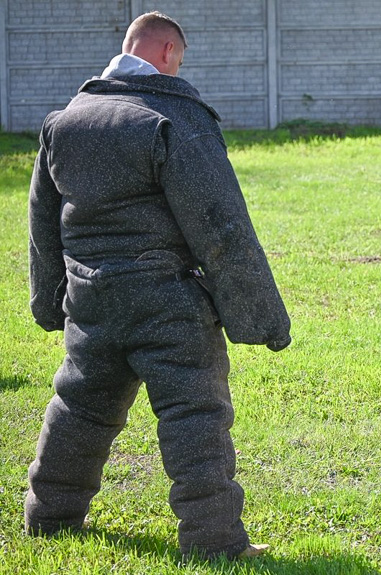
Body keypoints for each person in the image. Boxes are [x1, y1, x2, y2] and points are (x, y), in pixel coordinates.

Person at [25, 11, 292, 560]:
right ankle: (214, 542)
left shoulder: (65, 122)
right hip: (167, 300)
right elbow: (220, 226)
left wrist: (50, 301)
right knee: (195, 414)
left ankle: (49, 518)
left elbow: (42, 226)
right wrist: (262, 317)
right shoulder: (169, 118)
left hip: (91, 298)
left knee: (79, 407)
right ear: (168, 52)